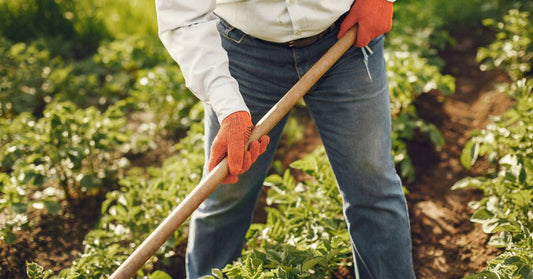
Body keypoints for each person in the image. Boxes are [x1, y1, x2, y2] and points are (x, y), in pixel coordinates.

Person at [155, 0, 416, 278]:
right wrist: (228, 106)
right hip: (245, 54)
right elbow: (184, 16)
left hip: (344, 37)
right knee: (226, 192)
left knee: (372, 188)